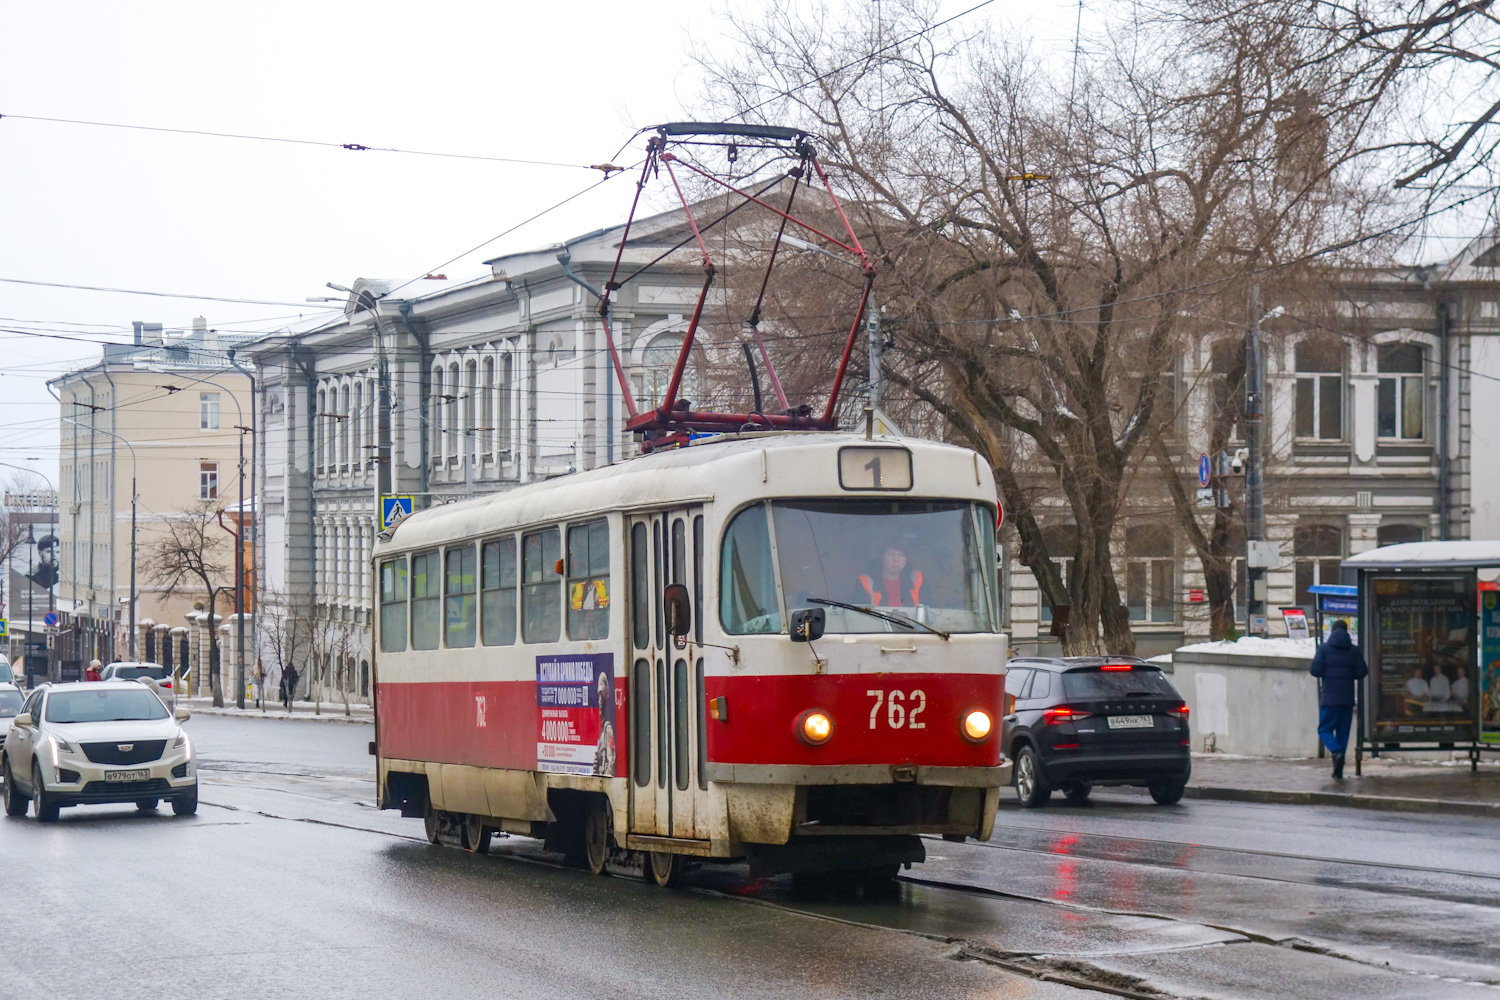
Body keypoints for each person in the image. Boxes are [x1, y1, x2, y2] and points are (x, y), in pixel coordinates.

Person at [1309, 619, 1368, 779]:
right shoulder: (1354, 650)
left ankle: (1335, 752)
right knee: (1343, 733)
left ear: (1332, 631)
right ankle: (1338, 769)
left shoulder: (1324, 649)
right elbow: (1362, 672)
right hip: (1347, 699)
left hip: (1329, 699)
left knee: (1324, 729)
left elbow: (1315, 670)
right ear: (1346, 631)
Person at [857, 544, 924, 608]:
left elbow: (927, 611)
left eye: (901, 555)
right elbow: (859, 612)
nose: (896, 560)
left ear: (906, 559)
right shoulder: (865, 582)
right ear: (882, 557)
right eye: (891, 554)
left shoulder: (918, 579)